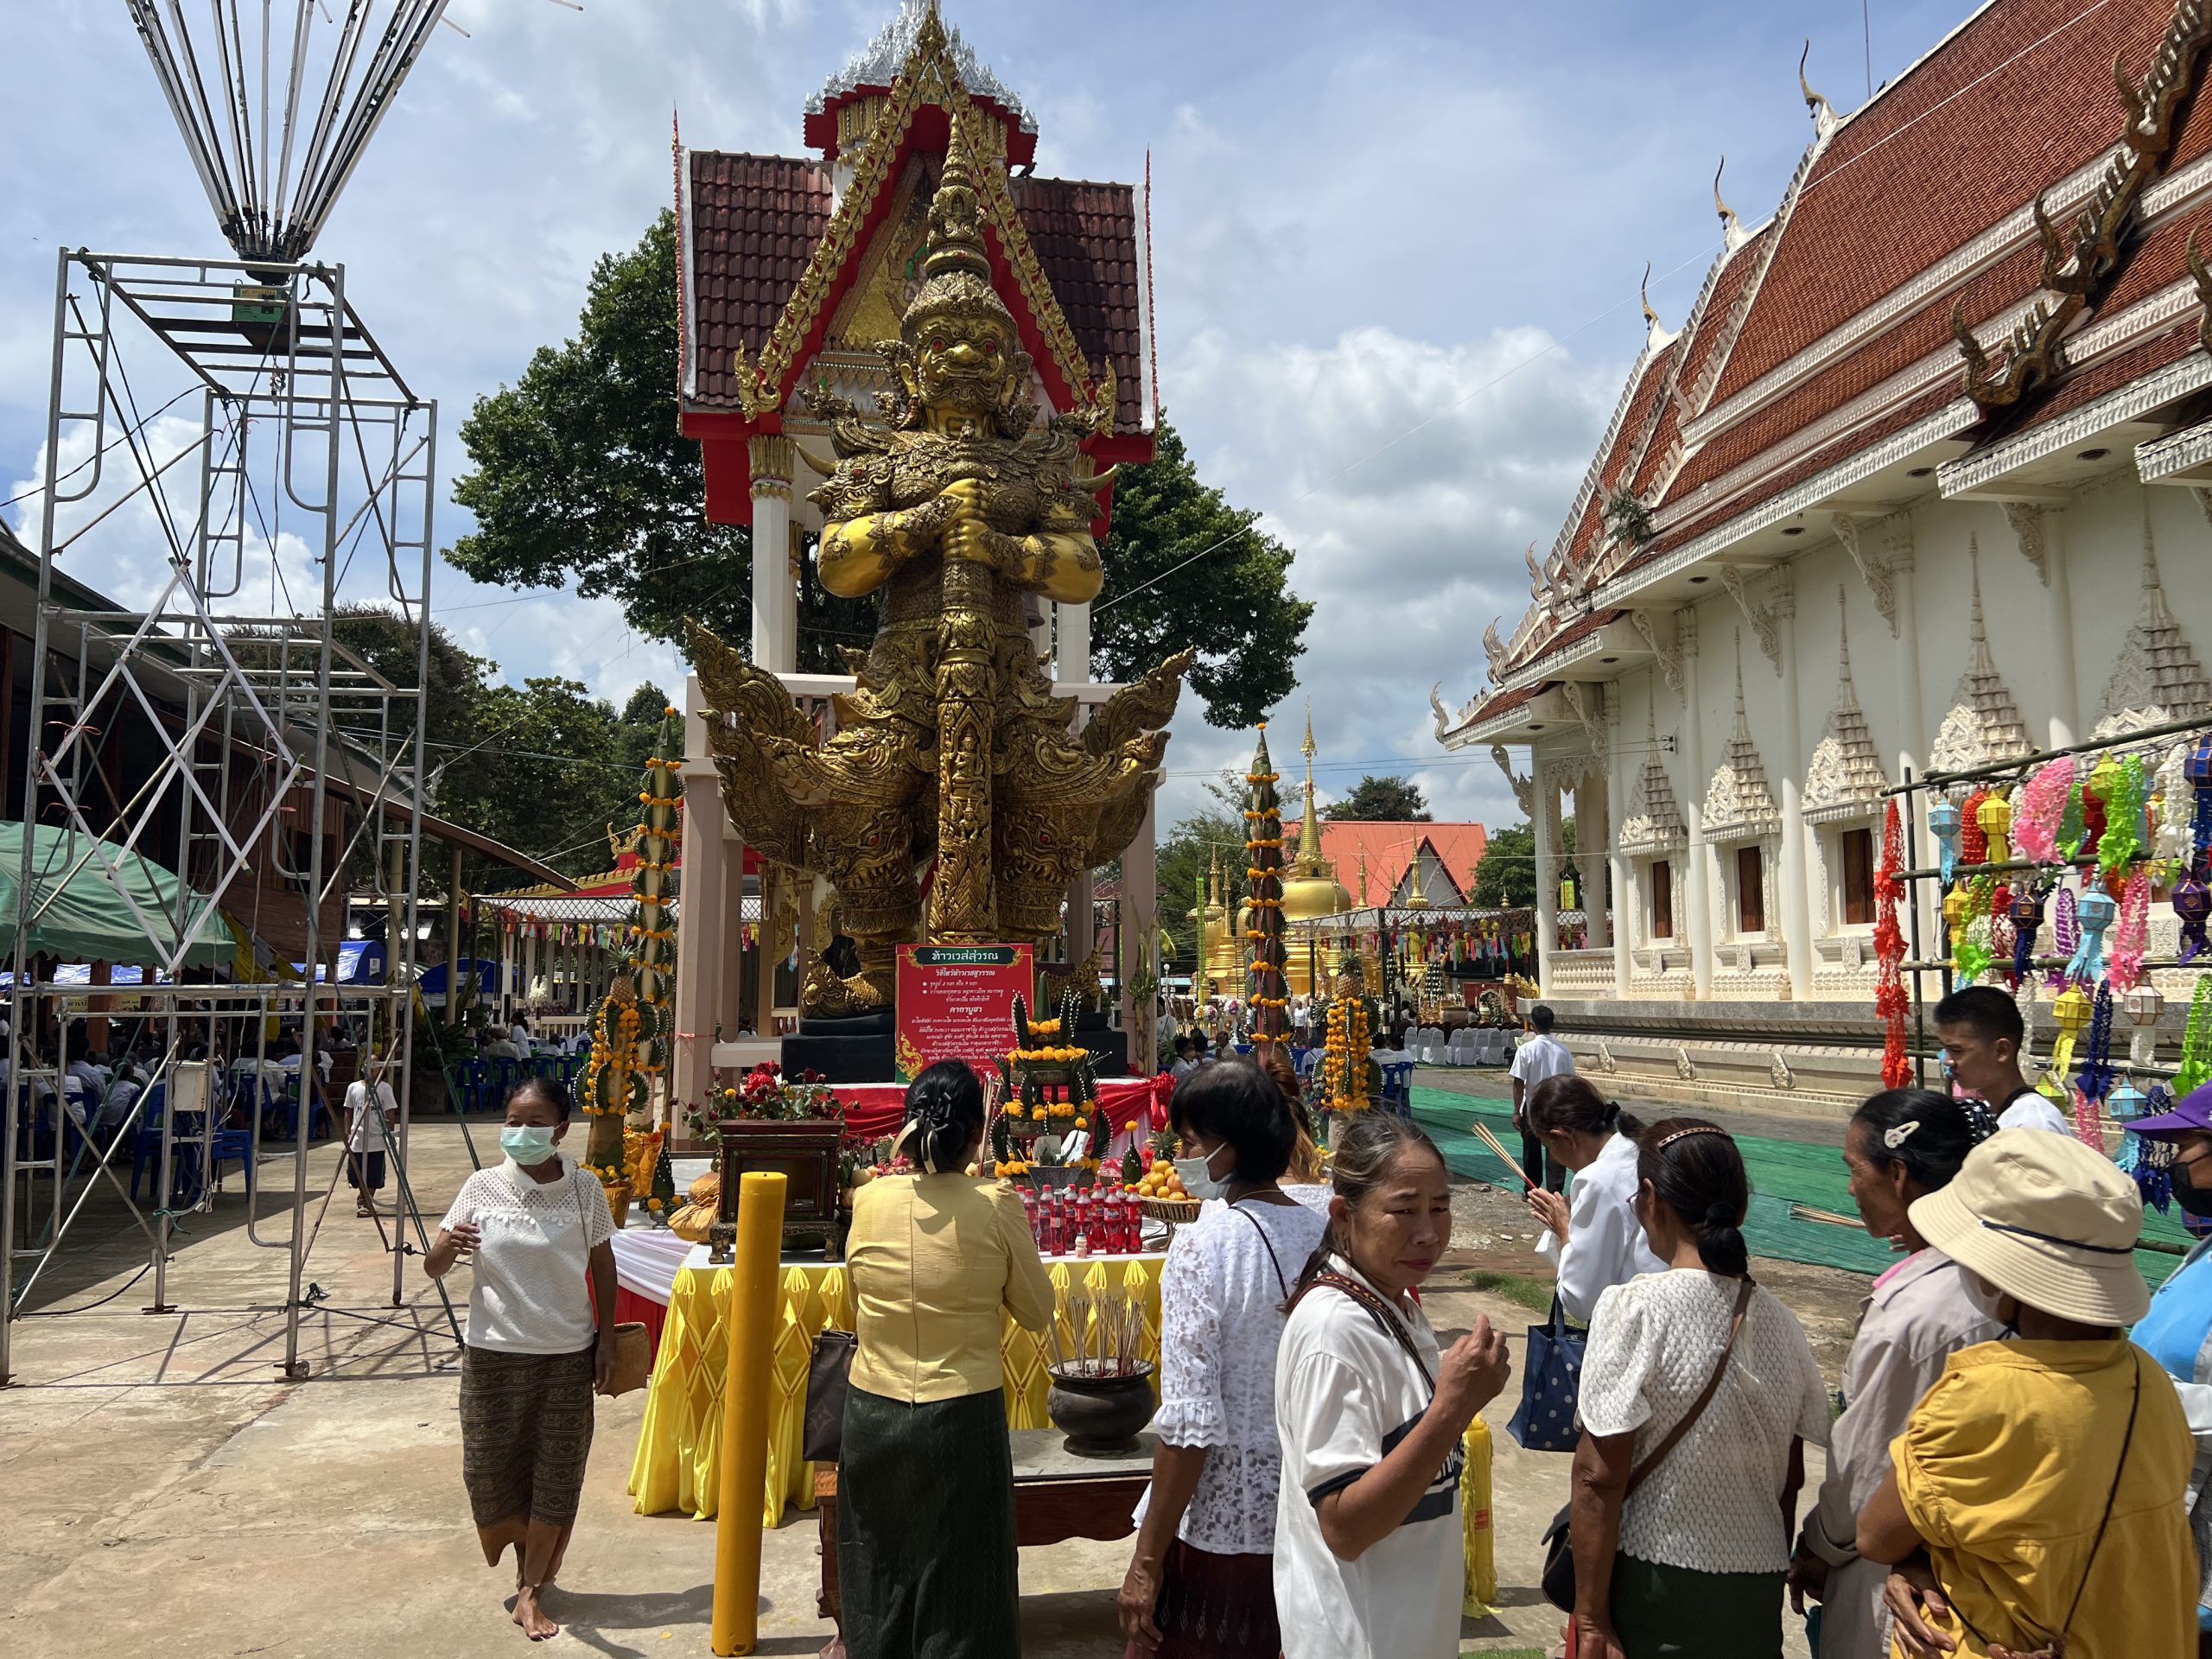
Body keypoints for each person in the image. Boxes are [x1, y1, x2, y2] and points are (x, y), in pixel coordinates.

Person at [1857, 1128, 2195, 1659]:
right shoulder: (2145, 1377)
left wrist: (1915, 1559)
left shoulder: (1984, 1393)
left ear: (2005, 1278)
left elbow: (1876, 1536)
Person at [1570, 1118, 1830, 1659]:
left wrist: (1591, 1618)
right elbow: (1790, 1478)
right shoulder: (1784, 1325)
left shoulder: (1634, 1308)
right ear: (1741, 1209)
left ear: (1648, 1199)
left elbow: (1598, 1476)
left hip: (1655, 1582)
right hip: (1754, 1591)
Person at [1273, 1113, 1512, 1659]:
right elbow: (1345, 1527)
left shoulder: (1393, 1304)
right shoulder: (1334, 1332)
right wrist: (1452, 1408)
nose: (1427, 1232)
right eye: (1403, 1211)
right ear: (1343, 1216)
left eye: (1441, 1208)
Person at [840, 1059, 1055, 1659]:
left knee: (879, 1577)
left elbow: (853, 1298)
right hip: (960, 1416)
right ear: (976, 1133)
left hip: (873, 1411)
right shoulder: (995, 1202)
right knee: (965, 1592)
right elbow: (1039, 1311)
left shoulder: (870, 1199)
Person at [1119, 1063, 1328, 1658]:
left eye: (1190, 1143)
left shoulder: (1202, 1248)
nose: (1182, 1156)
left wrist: (1146, 1559)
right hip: (1318, 1511)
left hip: (1224, 1524)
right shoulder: (1326, 1232)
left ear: (1227, 1151)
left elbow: (1189, 1427)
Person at [1787, 1090, 2001, 1659]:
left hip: (1893, 1576)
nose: (1851, 1188)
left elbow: (1863, 1470)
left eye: (1855, 1170)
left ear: (1899, 1174)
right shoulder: (2007, 1286)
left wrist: (1818, 1547)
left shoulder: (1914, 1311)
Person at [424, 1077, 618, 1642]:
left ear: (560, 1129)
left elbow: (603, 1266)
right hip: (492, 1358)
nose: (520, 1132)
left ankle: (532, 1587)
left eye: (534, 1123)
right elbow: (435, 1266)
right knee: (489, 1473)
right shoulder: (481, 1187)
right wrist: (446, 1247)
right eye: (512, 1121)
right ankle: (524, 1563)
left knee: (555, 1476)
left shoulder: (585, 1191)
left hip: (565, 1357)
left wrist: (605, 1340)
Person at [2123, 1079, 2212, 1653]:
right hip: (2165, 1538)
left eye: (2186, 1146)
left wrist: (2135, 1392)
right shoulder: (2204, 1249)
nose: (2174, 1162)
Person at [1522, 1076, 1664, 1325]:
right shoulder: (1639, 1150)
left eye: (1549, 1147)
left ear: (1565, 1137)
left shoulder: (1596, 1179)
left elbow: (1583, 1300)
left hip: (1636, 1324)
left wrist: (1564, 1230)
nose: (1555, 1157)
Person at [1930, 984, 2069, 1134]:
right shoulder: (1992, 1112)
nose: (1947, 1061)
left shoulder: (2033, 1124)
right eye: (1946, 1049)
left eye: (1957, 1050)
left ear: (2001, 1051)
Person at [1507, 1004, 1574, 1192]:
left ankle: (1532, 1189)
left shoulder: (1526, 1050)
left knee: (1532, 1150)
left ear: (1533, 1025)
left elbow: (1518, 1083)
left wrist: (1516, 1111)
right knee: (1556, 1148)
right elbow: (1571, 1082)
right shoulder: (1564, 1051)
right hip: (1557, 1106)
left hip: (1533, 1105)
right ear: (1551, 1024)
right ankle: (1555, 1191)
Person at [346, 1064, 399, 1218]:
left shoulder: (384, 1088)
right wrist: (347, 1132)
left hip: (377, 1138)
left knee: (374, 1173)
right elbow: (348, 1110)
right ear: (362, 1068)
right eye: (368, 1064)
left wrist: (389, 1131)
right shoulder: (353, 1087)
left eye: (376, 1065)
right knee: (356, 1173)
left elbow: (390, 1110)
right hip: (357, 1137)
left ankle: (366, 1202)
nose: (371, 1068)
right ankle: (363, 1197)